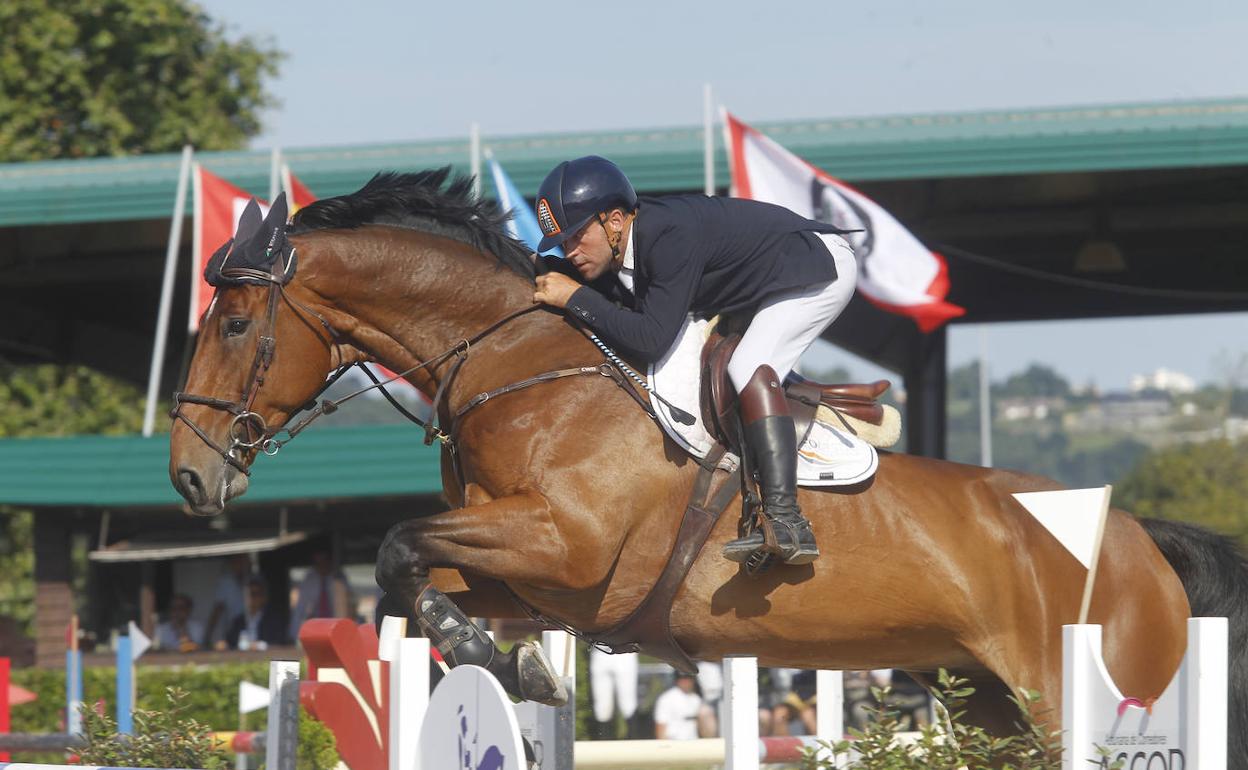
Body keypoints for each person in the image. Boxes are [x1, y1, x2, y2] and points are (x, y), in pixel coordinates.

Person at [532, 156, 857, 566]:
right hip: (766, 278)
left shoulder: (668, 236)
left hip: (819, 267)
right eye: (563, 242)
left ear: (615, 221)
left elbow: (651, 339)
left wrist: (573, 297)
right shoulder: (628, 246)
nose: (570, 251)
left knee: (748, 366)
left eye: (577, 236)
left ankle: (787, 521)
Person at [290, 549, 353, 637]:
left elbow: (348, 608)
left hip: (336, 630)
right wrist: (295, 634)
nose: (322, 565)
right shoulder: (309, 580)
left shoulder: (339, 579)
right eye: (318, 562)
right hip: (315, 630)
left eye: (324, 561)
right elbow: (300, 609)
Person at [203, 553, 253, 648]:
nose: (240, 565)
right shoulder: (226, 581)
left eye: (243, 561)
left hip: (256, 623)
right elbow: (218, 609)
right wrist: (207, 636)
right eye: (236, 562)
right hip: (234, 627)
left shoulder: (254, 579)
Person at [588, 648, 640, 739]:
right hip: (599, 652)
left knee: (628, 703)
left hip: (625, 652)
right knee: (601, 705)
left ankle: (633, 739)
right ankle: (603, 741)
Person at [226, 576, 289, 650]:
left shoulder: (273, 620)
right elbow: (230, 642)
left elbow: (281, 643)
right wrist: (224, 645)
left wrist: (260, 646)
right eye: (247, 594)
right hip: (241, 660)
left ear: (263, 597)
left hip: (265, 659)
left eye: (254, 594)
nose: (251, 598)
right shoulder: (238, 621)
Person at [652, 672, 707, 740]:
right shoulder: (667, 699)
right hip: (673, 743)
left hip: (693, 743)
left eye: (688, 678)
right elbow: (660, 726)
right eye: (682, 678)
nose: (686, 681)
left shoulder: (696, 699)